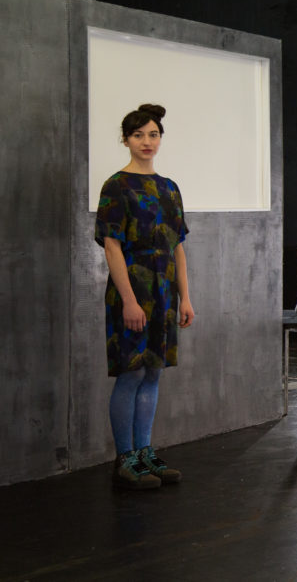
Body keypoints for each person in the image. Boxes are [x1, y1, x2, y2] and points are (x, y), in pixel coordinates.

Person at [95, 104, 195, 489]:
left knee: (153, 371)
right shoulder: (116, 186)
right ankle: (125, 460)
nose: (147, 141)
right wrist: (130, 300)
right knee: (131, 371)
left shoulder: (170, 188)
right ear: (126, 140)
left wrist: (185, 297)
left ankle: (145, 454)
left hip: (165, 292)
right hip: (132, 291)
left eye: (153, 134)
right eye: (138, 135)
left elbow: (179, 247)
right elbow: (111, 247)